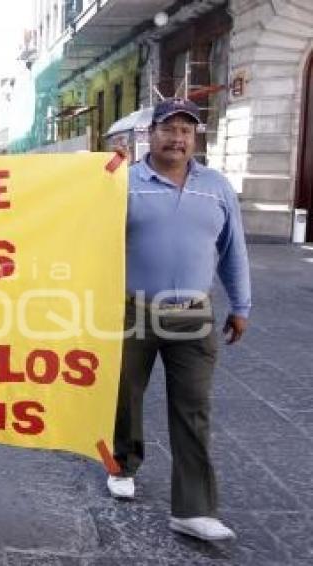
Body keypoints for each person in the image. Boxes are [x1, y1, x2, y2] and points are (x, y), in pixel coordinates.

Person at [108, 98, 251, 541]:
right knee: (127, 396)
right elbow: (90, 240)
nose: (177, 138)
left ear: (195, 138)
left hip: (194, 316)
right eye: (168, 129)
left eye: (186, 131)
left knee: (193, 408)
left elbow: (233, 249)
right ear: (150, 134)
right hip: (134, 310)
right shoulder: (124, 184)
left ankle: (193, 509)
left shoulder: (217, 186)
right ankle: (123, 463)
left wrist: (241, 305)